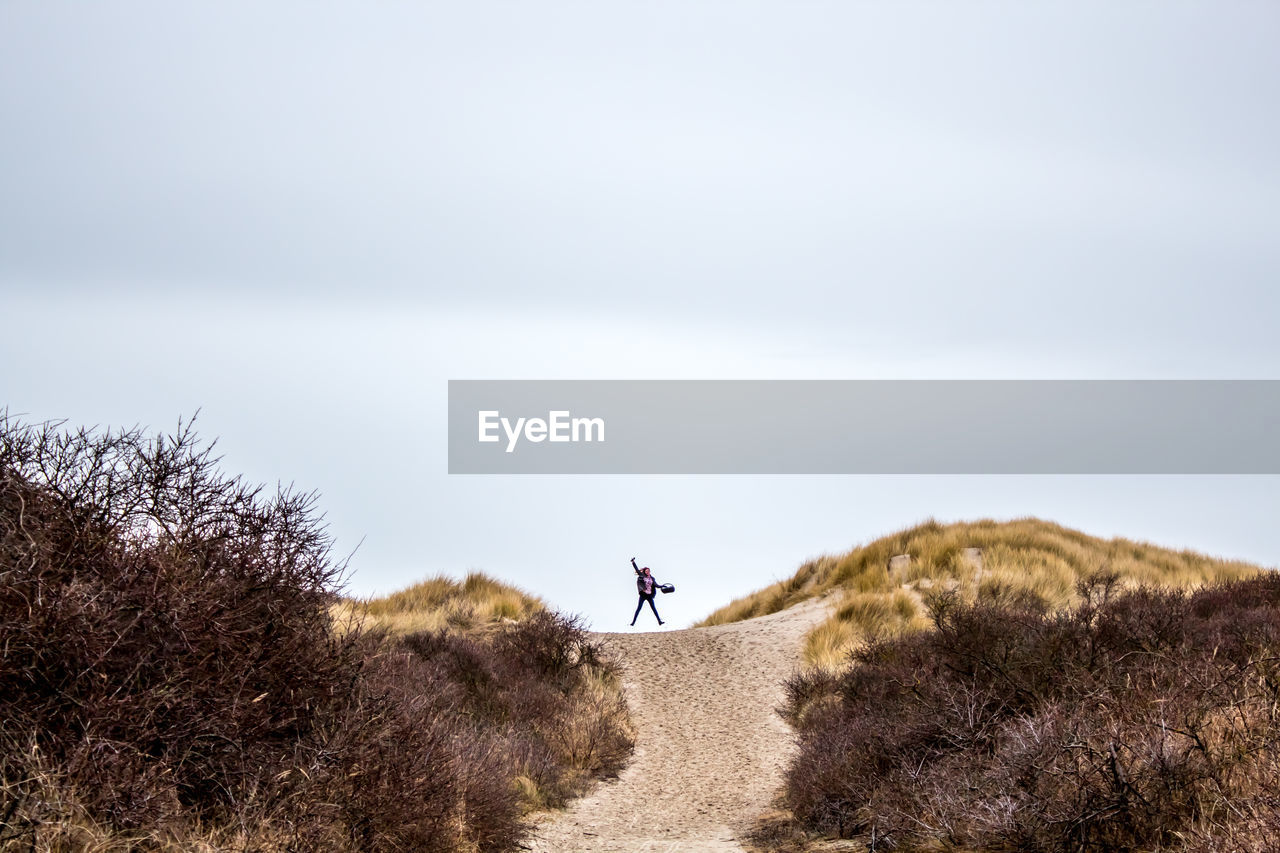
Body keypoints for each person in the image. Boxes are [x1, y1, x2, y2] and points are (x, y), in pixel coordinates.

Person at [630, 556, 664, 626]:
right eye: (646, 571)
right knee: (639, 608)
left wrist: (662, 586)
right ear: (644, 571)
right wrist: (633, 562)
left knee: (654, 608)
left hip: (649, 595)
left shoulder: (652, 578)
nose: (648, 572)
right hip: (643, 594)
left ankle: (659, 621)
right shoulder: (642, 575)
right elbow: (636, 569)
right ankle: (633, 622)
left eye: (649, 571)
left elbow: (656, 585)